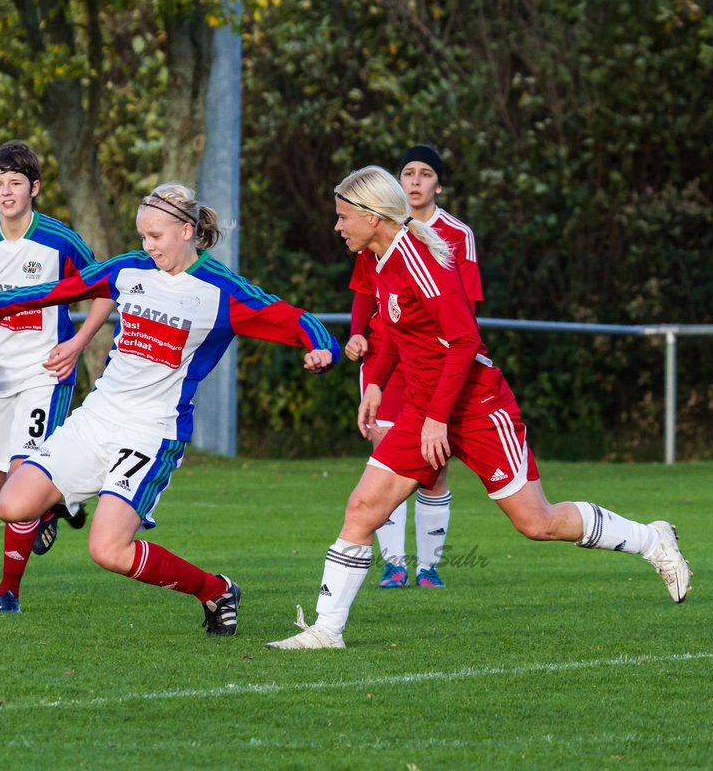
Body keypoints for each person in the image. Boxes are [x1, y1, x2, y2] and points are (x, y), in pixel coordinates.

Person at [266, 166, 691, 650]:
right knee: (362, 509)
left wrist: (436, 417)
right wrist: (377, 384)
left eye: (344, 217)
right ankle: (326, 631)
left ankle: (651, 539)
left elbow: (465, 340)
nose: (337, 227)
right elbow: (392, 327)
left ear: (372, 215)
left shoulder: (419, 259)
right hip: (428, 407)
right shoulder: (378, 258)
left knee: (538, 522)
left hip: (478, 407)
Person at [0, 183, 339, 635]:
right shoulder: (129, 268)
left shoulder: (221, 291)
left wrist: (322, 347)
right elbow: (67, 287)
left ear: (187, 230)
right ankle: (57, 508)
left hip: (151, 431)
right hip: (97, 418)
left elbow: (293, 317)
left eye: (156, 236)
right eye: (142, 237)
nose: (147, 246)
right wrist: (1, 303)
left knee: (107, 550)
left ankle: (215, 590)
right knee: (11, 505)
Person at [0, 141, 113, 613]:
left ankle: (8, 592)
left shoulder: (58, 240)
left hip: (44, 373)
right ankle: (56, 499)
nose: (6, 192)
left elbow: (105, 289)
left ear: (34, 188)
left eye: (15, 183)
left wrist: (76, 343)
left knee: (21, 478)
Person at [343, 144, 481, 589]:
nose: (416, 181)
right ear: (396, 184)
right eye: (408, 173)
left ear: (438, 185)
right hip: (388, 357)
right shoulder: (373, 234)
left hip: (433, 362)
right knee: (386, 456)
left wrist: (453, 356)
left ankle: (428, 566)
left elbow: (464, 318)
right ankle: (394, 563)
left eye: (425, 174)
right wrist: (360, 334)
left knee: (434, 465)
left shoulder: (454, 236)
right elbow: (367, 292)